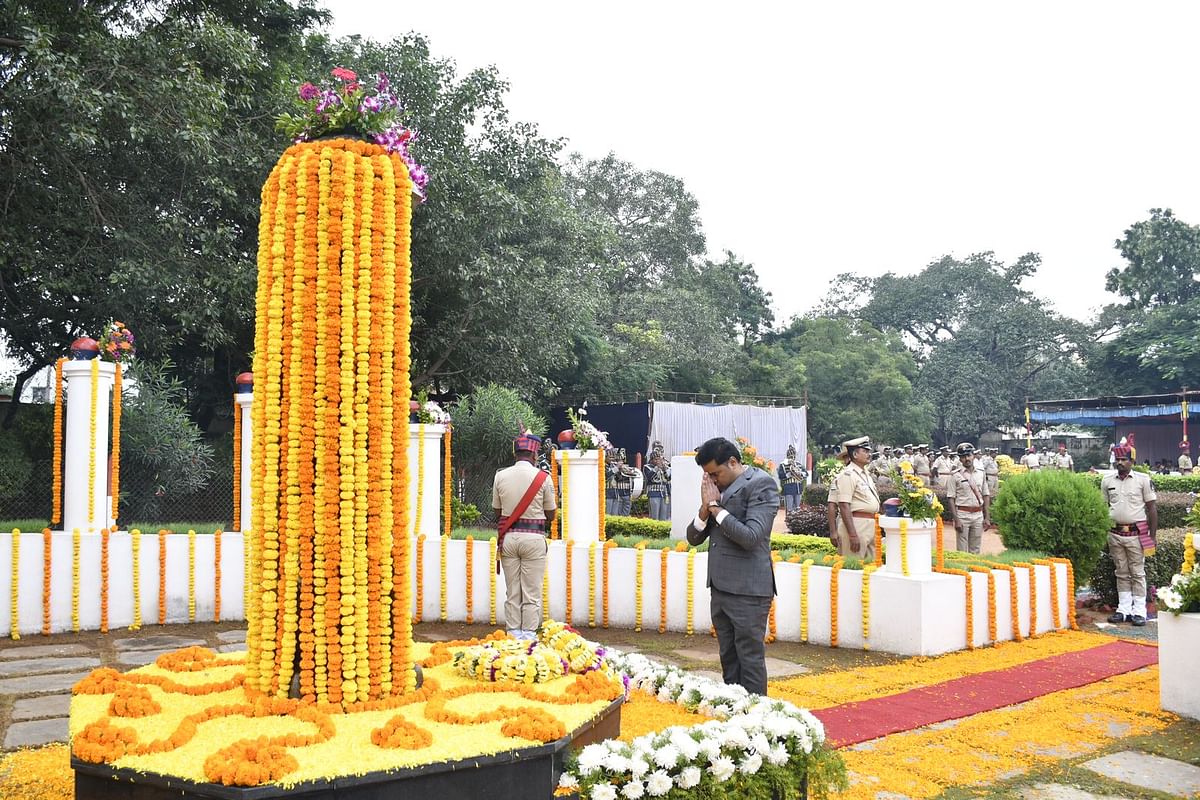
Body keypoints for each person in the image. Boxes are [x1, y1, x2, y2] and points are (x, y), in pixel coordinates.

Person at [686, 437, 778, 695]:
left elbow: (751, 537)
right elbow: (693, 538)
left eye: (715, 473)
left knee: (749, 659)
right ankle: (734, 712)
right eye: (708, 476)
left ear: (734, 462)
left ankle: (757, 717)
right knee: (728, 658)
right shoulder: (715, 493)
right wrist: (705, 510)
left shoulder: (761, 484)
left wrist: (715, 507)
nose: (712, 481)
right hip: (721, 588)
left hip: (749, 591)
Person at [492, 431, 557, 639]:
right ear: (534, 454)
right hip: (534, 538)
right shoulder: (543, 478)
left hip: (509, 539)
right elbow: (551, 514)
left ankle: (512, 634)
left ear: (515, 453)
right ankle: (527, 636)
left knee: (512, 591)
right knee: (531, 591)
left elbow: (497, 511)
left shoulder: (500, 475)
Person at [1100, 445, 1157, 626]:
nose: (1120, 463)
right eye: (1117, 459)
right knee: (1121, 572)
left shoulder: (1143, 480)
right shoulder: (1107, 481)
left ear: (1133, 461)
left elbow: (1152, 508)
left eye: (1124, 459)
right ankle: (1123, 609)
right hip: (1114, 533)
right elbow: (1102, 508)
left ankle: (1139, 611)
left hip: (1137, 533)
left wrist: (1152, 536)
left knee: (1137, 573)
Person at [832, 436, 880, 561]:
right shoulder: (848, 475)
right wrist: (852, 535)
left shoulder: (866, 475)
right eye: (865, 451)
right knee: (853, 566)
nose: (869, 454)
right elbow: (843, 505)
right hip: (856, 524)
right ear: (855, 454)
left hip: (870, 523)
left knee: (870, 567)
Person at [943, 443, 990, 554]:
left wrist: (987, 517)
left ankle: (975, 570)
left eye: (968, 455)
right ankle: (963, 570)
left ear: (973, 455)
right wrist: (956, 519)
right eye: (963, 457)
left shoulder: (981, 473)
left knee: (976, 549)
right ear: (960, 459)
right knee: (962, 551)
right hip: (962, 515)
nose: (966, 459)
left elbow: (986, 495)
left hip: (978, 515)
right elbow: (951, 498)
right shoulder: (955, 475)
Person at [643, 443, 672, 521]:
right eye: (655, 459)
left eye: (659, 459)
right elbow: (649, 477)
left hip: (664, 493)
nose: (658, 461)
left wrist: (665, 469)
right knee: (654, 516)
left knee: (664, 516)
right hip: (653, 493)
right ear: (651, 460)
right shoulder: (647, 467)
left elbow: (668, 478)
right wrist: (656, 468)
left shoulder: (664, 467)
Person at [777, 444, 807, 510]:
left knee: (798, 508)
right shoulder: (783, 465)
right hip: (788, 487)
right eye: (791, 456)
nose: (792, 458)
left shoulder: (798, 464)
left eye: (793, 456)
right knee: (789, 508)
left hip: (798, 487)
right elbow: (780, 475)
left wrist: (800, 473)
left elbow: (806, 473)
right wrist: (789, 474)